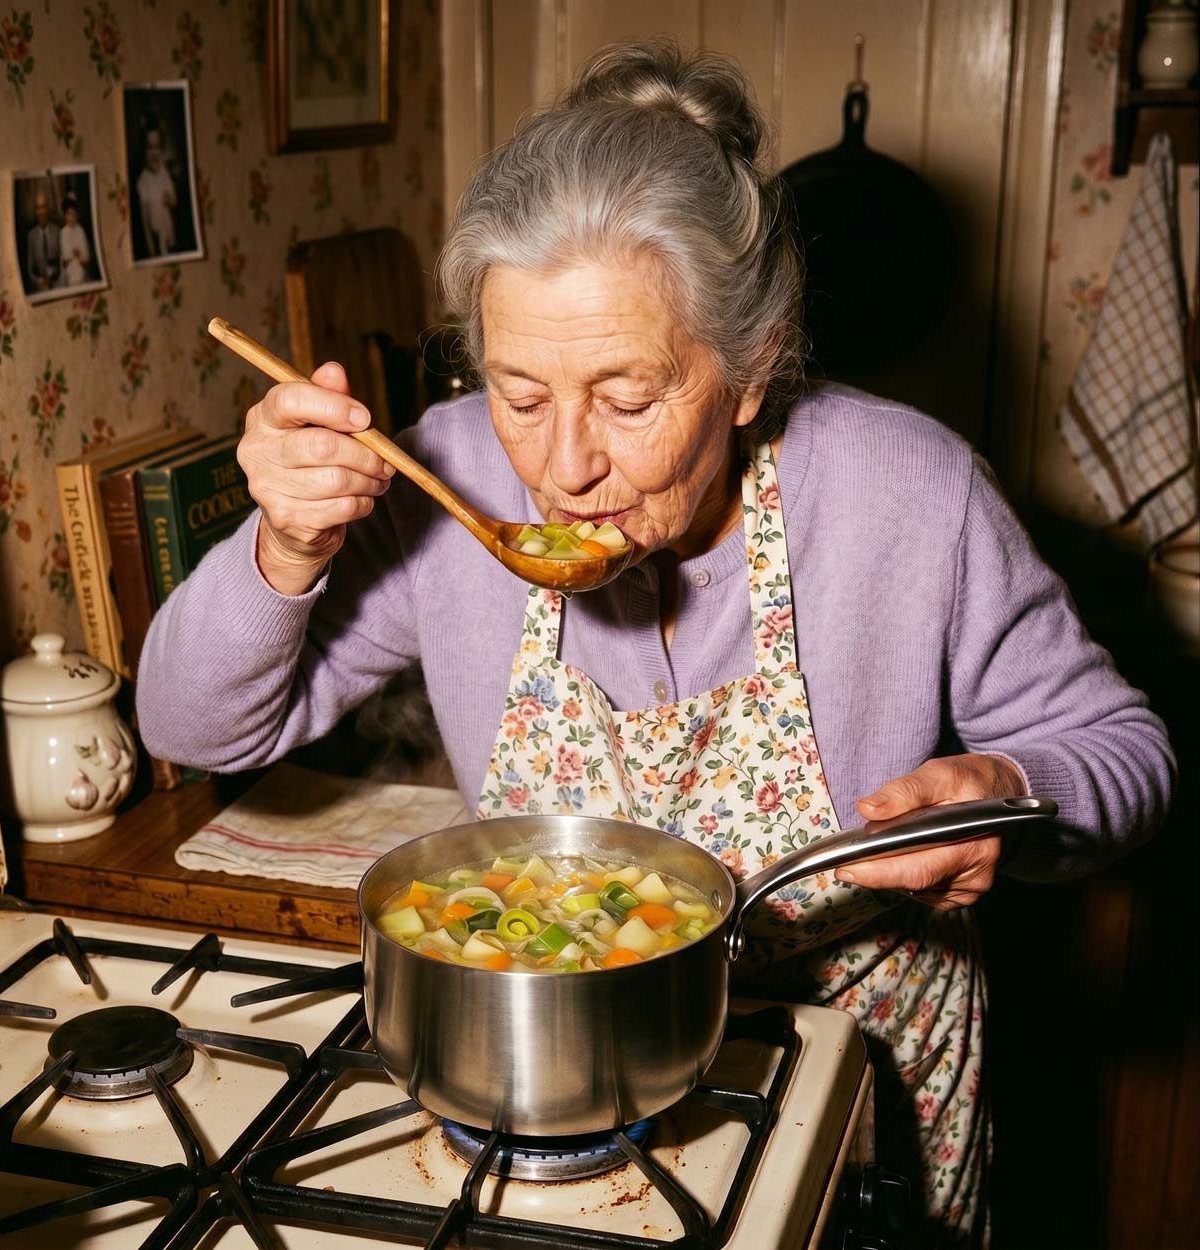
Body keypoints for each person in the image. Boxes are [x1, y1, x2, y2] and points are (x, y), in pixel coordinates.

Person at [137, 42, 1173, 1246]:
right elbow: (189, 724)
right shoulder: (448, 475)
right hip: (565, 1087)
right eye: (519, 390)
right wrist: (287, 546)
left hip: (863, 1074)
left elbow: (1123, 748)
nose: (563, 463)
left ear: (750, 368)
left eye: (628, 398)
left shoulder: (906, 491)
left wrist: (1011, 787)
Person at [134, 114, 177, 258]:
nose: (154, 152)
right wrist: (151, 248)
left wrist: (170, 200)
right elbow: (145, 222)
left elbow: (173, 202)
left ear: (162, 149)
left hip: (169, 233)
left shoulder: (164, 172)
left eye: (157, 147)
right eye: (149, 147)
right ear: (143, 150)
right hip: (156, 236)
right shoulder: (143, 181)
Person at [25, 188, 60, 292]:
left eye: (44, 207)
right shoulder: (31, 236)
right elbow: (30, 269)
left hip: (57, 282)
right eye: (38, 208)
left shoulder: (57, 231)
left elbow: (61, 262)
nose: (41, 211)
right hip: (40, 286)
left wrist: (55, 279)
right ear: (35, 211)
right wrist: (40, 281)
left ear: (48, 209)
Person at [57, 192, 91, 288]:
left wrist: (79, 255)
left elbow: (86, 259)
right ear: (65, 215)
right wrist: (70, 256)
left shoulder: (80, 231)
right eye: (69, 214)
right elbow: (64, 260)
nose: (71, 218)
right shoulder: (63, 232)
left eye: (74, 215)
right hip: (69, 277)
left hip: (81, 275)